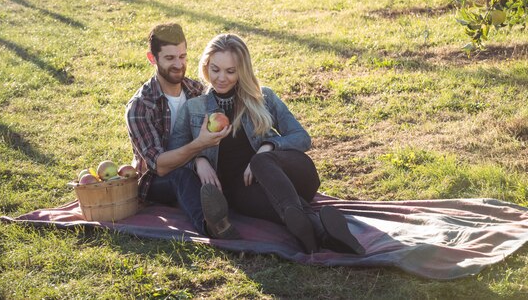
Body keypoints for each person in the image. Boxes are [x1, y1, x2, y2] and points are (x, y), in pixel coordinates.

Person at [168, 33, 364, 254]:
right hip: (244, 190)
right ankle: (324, 235)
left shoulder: (264, 98)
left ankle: (312, 227)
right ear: (206, 67)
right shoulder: (194, 108)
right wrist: (198, 160)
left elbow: (301, 137)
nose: (221, 77)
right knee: (286, 208)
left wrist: (268, 147)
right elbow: (173, 154)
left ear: (242, 71)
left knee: (262, 161)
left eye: (230, 71)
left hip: (290, 174)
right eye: (215, 69)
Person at [125, 23, 239, 239]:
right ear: (152, 58)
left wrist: (201, 159)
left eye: (182, 56)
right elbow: (159, 166)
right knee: (182, 177)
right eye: (170, 58)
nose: (179, 64)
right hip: (157, 182)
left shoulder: (197, 91)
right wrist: (199, 149)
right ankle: (211, 226)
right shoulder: (141, 106)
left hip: (197, 167)